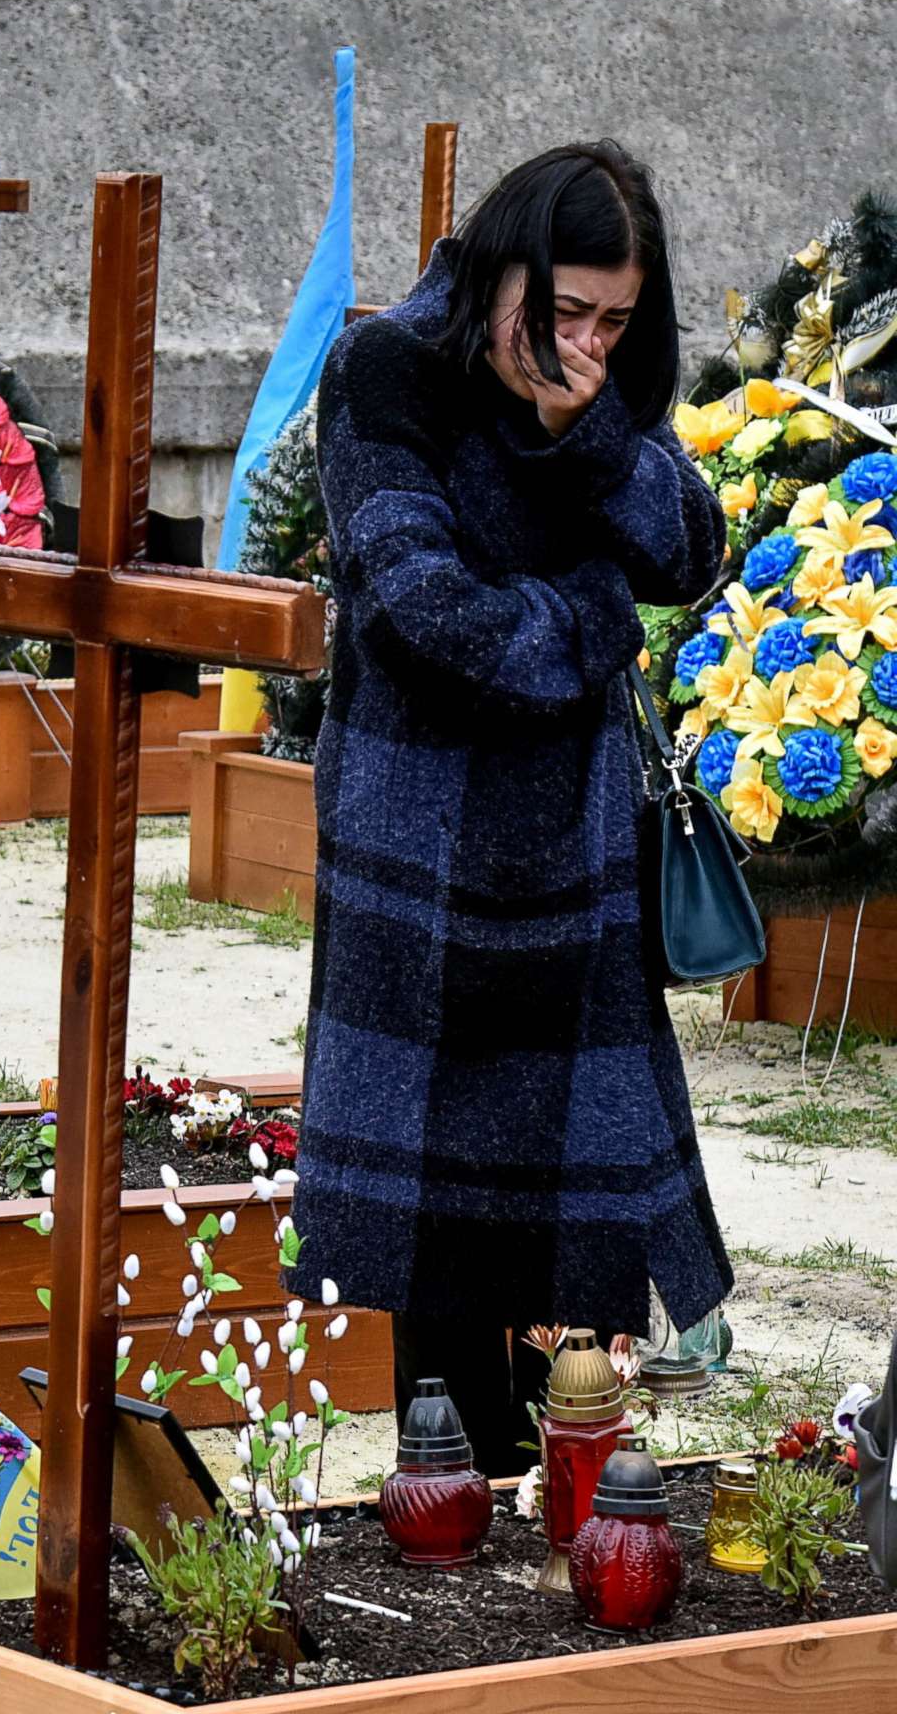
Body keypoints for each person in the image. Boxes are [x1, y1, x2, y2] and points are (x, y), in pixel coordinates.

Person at [290, 143, 731, 1476]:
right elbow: (430, 618)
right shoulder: (387, 371)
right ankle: (452, 1491)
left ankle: (581, 1497)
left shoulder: (598, 389)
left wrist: (581, 439)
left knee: (581, 1212)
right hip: (415, 841)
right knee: (433, 1223)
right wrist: (598, 618)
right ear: (502, 272)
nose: (587, 343)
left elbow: (693, 550)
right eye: (564, 315)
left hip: (573, 843)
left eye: (614, 320)